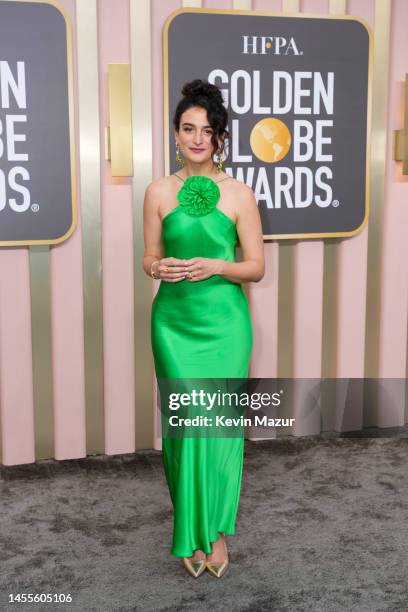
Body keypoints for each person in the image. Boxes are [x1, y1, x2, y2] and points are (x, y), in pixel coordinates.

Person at [143, 79, 265, 578]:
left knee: (216, 429)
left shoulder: (239, 193)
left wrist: (217, 266)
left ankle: (212, 533)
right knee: (183, 426)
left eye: (207, 131)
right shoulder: (157, 191)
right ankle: (188, 528)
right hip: (174, 324)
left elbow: (256, 267)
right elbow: (148, 256)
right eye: (188, 129)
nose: (197, 138)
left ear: (220, 139)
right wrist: (156, 268)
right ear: (176, 134)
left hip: (225, 327)